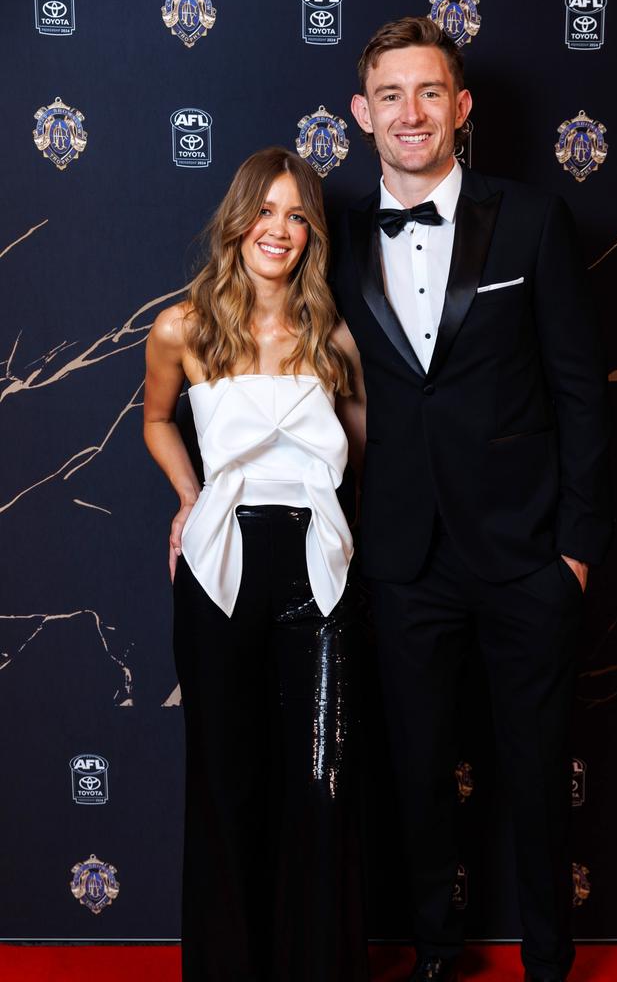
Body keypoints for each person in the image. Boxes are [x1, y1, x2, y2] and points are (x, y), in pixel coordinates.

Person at [333, 18, 612, 982]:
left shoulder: (531, 220)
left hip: (526, 552)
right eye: (391, 96)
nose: (411, 114)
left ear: (461, 107)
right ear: (363, 115)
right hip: (401, 556)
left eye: (429, 93)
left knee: (536, 775)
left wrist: (573, 549)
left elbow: (580, 389)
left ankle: (547, 957)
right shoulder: (326, 233)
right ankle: (436, 954)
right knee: (415, 773)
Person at [143, 146, 368, 982]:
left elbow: (360, 443)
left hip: (318, 567)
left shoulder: (332, 331)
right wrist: (189, 496)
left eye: (298, 215)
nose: (280, 230)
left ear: (312, 233)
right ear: (237, 220)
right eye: (266, 212)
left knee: (321, 777)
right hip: (219, 562)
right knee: (224, 774)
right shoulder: (184, 326)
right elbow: (158, 419)